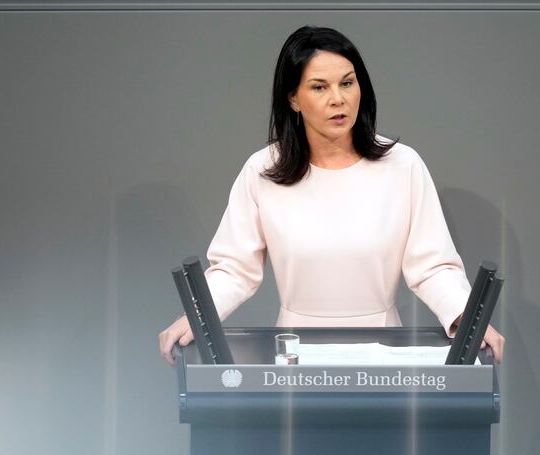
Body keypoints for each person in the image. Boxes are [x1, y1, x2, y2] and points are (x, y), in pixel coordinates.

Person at [159, 25, 504, 365]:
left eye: (347, 83)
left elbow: (432, 265)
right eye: (319, 87)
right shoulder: (263, 170)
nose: (338, 98)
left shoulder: (403, 165)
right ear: (293, 98)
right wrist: (198, 316)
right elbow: (234, 269)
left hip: (383, 353)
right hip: (293, 355)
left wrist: (464, 316)